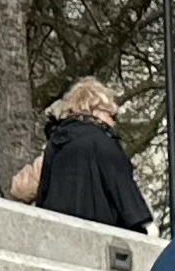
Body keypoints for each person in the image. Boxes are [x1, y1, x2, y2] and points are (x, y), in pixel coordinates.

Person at [32, 78, 151, 231]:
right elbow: (126, 198)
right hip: (101, 235)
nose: (113, 123)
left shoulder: (55, 144)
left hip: (57, 233)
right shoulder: (103, 143)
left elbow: (43, 195)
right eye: (112, 116)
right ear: (97, 109)